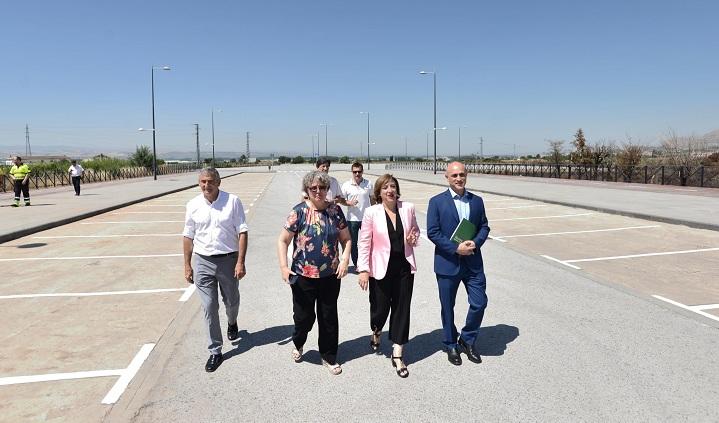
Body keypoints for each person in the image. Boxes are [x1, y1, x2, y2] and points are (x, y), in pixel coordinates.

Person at [277, 170, 351, 375]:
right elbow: (283, 240)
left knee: (328, 317)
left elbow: (346, 239)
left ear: (328, 189)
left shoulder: (335, 211)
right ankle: (299, 342)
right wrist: (284, 267)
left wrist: (345, 259)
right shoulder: (298, 212)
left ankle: (328, 356)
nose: (318, 191)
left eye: (322, 187)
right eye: (313, 188)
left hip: (330, 276)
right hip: (302, 276)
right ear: (307, 190)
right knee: (304, 317)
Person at [182, 167, 248, 372]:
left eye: (210, 181)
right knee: (209, 306)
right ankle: (215, 350)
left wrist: (240, 261)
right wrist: (187, 264)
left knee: (231, 301)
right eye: (202, 182)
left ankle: (232, 322)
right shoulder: (192, 205)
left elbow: (242, 232)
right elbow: (188, 236)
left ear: (218, 182)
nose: (206, 185)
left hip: (228, 260)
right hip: (203, 261)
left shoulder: (232, 201)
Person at [426, 161, 490, 366]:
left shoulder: (477, 201)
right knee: (448, 307)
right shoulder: (436, 202)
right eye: (454, 175)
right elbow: (433, 232)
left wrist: (476, 242)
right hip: (447, 263)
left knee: (479, 303)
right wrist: (455, 248)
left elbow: (484, 227)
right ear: (447, 177)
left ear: (466, 175)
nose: (459, 178)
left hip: (473, 262)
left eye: (462, 174)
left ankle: (468, 338)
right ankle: (450, 343)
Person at [357, 174, 419, 378]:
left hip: (403, 267)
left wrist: (413, 237)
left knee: (402, 309)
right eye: (385, 188)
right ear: (379, 192)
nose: (390, 190)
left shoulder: (407, 208)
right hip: (380, 268)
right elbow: (364, 242)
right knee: (379, 309)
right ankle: (376, 330)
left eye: (393, 186)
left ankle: (398, 353)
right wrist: (363, 270)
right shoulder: (371, 212)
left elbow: (415, 231)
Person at [341, 162, 374, 270]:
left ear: (362, 171)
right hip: (352, 220)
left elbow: (372, 199)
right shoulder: (346, 185)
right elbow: (341, 200)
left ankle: (368, 262)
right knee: (353, 243)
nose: (357, 174)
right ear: (352, 172)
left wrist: (376, 213)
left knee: (367, 242)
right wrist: (348, 203)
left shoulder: (368, 184)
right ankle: (357, 265)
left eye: (359, 171)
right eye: (355, 172)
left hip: (366, 218)